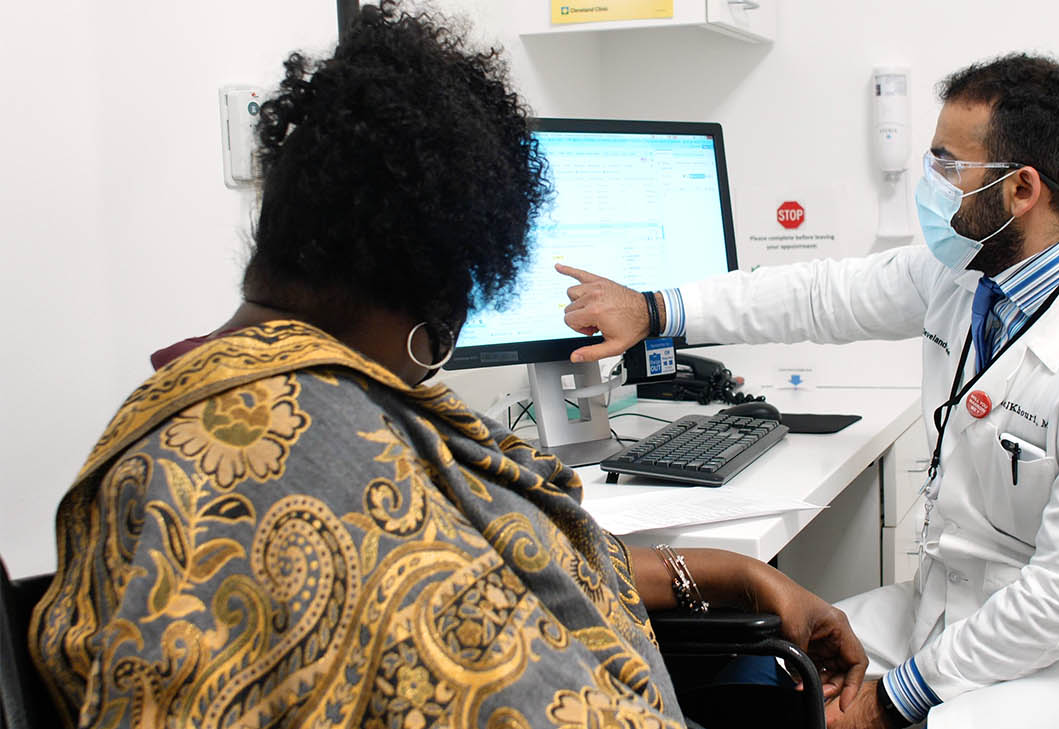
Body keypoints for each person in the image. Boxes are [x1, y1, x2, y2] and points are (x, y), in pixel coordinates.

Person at [28, 5, 867, 728]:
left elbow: (533, 551)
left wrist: (731, 572)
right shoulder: (343, 475)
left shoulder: (199, 402)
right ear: (451, 290)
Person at [558, 54, 1059, 729]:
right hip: (950, 610)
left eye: (947, 165)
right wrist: (657, 308)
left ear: (1022, 190)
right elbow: (822, 296)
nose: (930, 185)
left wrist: (892, 698)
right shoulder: (969, 273)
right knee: (757, 679)